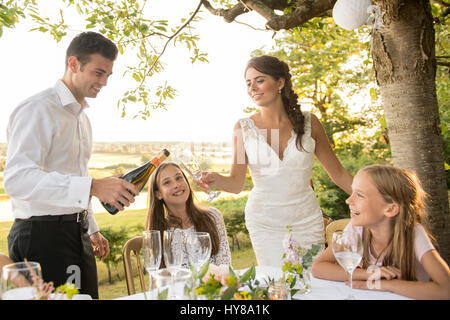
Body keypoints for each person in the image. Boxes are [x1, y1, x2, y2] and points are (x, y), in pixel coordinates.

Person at [4, 31, 140, 299]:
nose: (104, 82)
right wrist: (94, 185)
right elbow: (17, 179)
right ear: (74, 64)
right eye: (98, 73)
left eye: (108, 76)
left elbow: (77, 176)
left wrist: (92, 228)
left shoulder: (82, 119)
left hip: (75, 235)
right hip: (40, 238)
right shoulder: (37, 109)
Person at [199, 55, 353, 267]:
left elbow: (340, 175)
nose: (252, 88)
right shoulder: (243, 128)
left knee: (315, 282)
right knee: (277, 284)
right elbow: (236, 183)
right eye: (248, 83)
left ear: (280, 83)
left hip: (307, 220)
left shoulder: (310, 123)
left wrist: (376, 199)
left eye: (259, 80)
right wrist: (216, 179)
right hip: (265, 222)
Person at [311, 164, 450, 300]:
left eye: (359, 195)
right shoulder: (358, 229)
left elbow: (446, 290)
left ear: (390, 209)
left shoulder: (413, 233)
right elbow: (318, 268)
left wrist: (388, 284)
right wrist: (370, 273)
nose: (349, 200)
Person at [145, 162, 231, 267]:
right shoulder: (158, 231)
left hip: (213, 283)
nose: (176, 185)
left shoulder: (213, 217)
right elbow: (159, 277)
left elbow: (225, 267)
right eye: (167, 182)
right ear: (159, 194)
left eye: (179, 178)